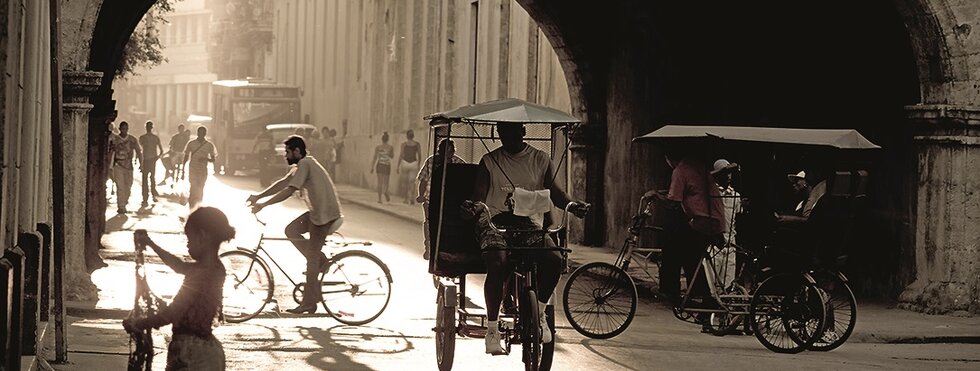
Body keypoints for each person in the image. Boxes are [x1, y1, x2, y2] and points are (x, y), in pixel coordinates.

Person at [470, 123, 589, 355]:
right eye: (503, 134)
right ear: (498, 135)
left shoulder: (540, 159)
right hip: (494, 220)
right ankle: (492, 329)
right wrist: (471, 208)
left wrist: (573, 206)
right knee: (497, 261)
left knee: (554, 259)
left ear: (523, 132)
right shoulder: (489, 161)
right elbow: (479, 197)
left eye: (513, 133)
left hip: (526, 224)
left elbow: (556, 193)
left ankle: (541, 313)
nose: (508, 138)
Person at [123, 207, 232, 370]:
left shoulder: (199, 273)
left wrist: (139, 324)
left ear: (202, 236)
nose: (187, 244)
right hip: (209, 351)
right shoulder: (216, 268)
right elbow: (179, 266)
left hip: (190, 353)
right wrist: (151, 244)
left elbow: (174, 312)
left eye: (189, 239)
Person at [247, 135, 343, 314]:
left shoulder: (306, 164)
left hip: (324, 217)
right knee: (291, 230)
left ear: (297, 152)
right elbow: (283, 183)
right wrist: (258, 197)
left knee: (311, 259)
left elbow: (289, 191)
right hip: (317, 214)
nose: (285, 156)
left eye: (287, 152)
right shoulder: (302, 165)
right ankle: (320, 262)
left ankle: (309, 301)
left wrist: (263, 205)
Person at [643, 147, 726, 308]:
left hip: (703, 221)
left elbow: (673, 202)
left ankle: (670, 289)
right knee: (691, 255)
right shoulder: (698, 166)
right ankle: (699, 293)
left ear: (668, 158)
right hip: (714, 220)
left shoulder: (680, 170)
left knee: (671, 243)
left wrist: (655, 195)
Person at [416, 139, 466, 259]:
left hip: (450, 201)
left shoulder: (459, 163)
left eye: (450, 152)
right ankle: (429, 248)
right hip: (430, 199)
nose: (447, 155)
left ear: (453, 152)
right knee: (429, 223)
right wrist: (421, 195)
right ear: (440, 151)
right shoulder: (431, 161)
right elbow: (423, 180)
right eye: (444, 152)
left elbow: (466, 180)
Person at [108, 121, 142, 214]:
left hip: (129, 166)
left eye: (126, 129)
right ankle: (121, 206)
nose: (124, 131)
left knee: (128, 186)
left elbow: (139, 151)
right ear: (119, 129)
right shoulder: (115, 140)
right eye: (122, 129)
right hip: (118, 165)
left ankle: (124, 201)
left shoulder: (132, 140)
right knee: (120, 187)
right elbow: (110, 153)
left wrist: (141, 164)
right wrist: (109, 166)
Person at [183, 127, 217, 209]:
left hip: (203, 171)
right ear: (197, 133)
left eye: (202, 133)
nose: (201, 134)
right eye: (199, 132)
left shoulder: (209, 145)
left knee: (200, 189)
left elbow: (213, 159)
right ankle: (191, 208)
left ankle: (198, 207)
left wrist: (205, 159)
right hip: (192, 170)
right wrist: (182, 169)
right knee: (193, 188)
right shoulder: (191, 143)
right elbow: (186, 157)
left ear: (205, 134)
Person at [138, 121, 164, 206]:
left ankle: (145, 197)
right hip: (152, 159)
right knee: (152, 178)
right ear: (152, 127)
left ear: (146, 127)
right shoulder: (155, 138)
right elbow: (161, 151)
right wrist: (157, 158)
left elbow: (141, 149)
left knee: (145, 179)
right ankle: (153, 194)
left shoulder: (142, 137)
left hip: (146, 160)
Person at [396, 129, 421, 205]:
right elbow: (419, 156)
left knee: (405, 182)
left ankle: (406, 199)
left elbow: (401, 155)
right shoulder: (417, 144)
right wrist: (418, 164)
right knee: (412, 183)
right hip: (414, 163)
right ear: (413, 136)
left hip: (405, 163)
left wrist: (397, 166)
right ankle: (412, 198)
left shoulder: (404, 144)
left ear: (407, 136)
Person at [370, 132, 394, 203]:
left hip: (380, 165)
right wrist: (388, 153)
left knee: (379, 182)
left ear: (382, 139)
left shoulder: (378, 147)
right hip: (387, 165)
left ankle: (380, 199)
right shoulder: (390, 147)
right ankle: (385, 191)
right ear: (388, 139)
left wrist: (372, 167)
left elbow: (375, 157)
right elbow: (392, 156)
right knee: (386, 182)